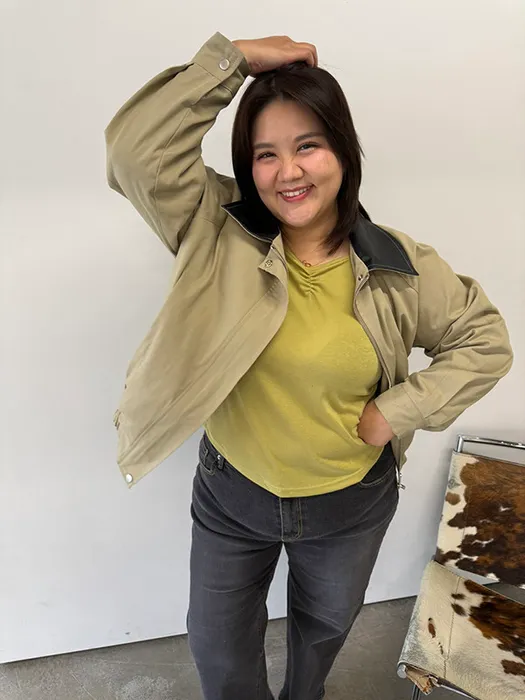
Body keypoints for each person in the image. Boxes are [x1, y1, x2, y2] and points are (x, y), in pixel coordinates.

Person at [104, 32, 513, 700]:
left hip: (348, 505)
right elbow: (134, 154)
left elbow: (484, 340)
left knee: (321, 634)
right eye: (265, 154)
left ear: (343, 151)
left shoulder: (397, 264)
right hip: (231, 493)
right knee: (217, 644)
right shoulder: (214, 230)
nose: (288, 172)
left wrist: (395, 411)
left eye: (308, 146)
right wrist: (233, 59)